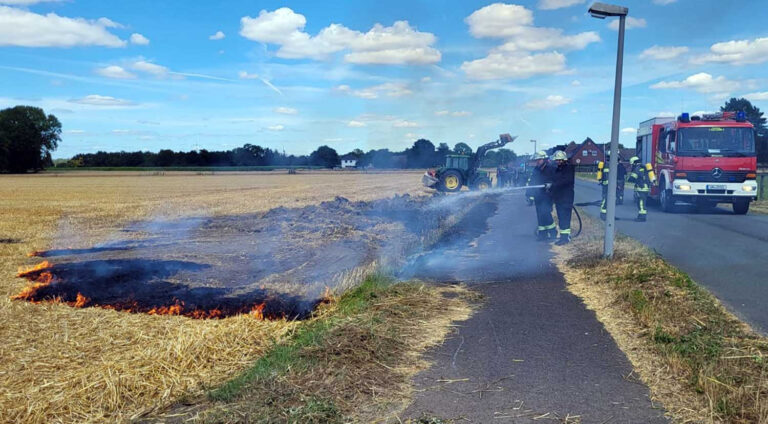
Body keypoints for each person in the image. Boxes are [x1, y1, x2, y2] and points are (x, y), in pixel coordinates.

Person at [527, 151, 555, 241]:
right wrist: (529, 195)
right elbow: (532, 182)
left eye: (539, 160)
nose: (537, 162)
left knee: (546, 213)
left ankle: (553, 232)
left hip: (548, 196)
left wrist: (551, 184)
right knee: (540, 215)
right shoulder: (536, 169)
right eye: (537, 160)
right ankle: (543, 234)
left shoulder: (551, 168)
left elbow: (557, 180)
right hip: (538, 196)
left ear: (544, 159)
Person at [549, 150, 575, 245]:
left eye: (560, 160)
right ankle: (563, 236)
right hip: (559, 198)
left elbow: (566, 181)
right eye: (557, 160)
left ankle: (565, 238)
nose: (558, 162)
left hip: (566, 198)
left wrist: (553, 184)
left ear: (564, 160)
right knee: (561, 217)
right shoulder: (557, 169)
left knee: (565, 217)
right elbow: (555, 181)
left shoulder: (569, 168)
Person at [597, 153, 626, 220]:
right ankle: (603, 215)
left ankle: (610, 215)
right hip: (607, 186)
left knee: (611, 201)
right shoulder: (607, 165)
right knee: (605, 200)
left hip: (610, 185)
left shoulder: (610, 165)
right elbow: (608, 176)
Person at [627, 156, 655, 222]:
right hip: (645, 188)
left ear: (634, 163)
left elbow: (632, 179)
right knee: (642, 202)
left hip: (641, 188)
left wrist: (628, 178)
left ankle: (642, 217)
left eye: (632, 164)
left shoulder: (637, 168)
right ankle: (641, 216)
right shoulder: (643, 168)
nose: (631, 166)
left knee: (641, 203)